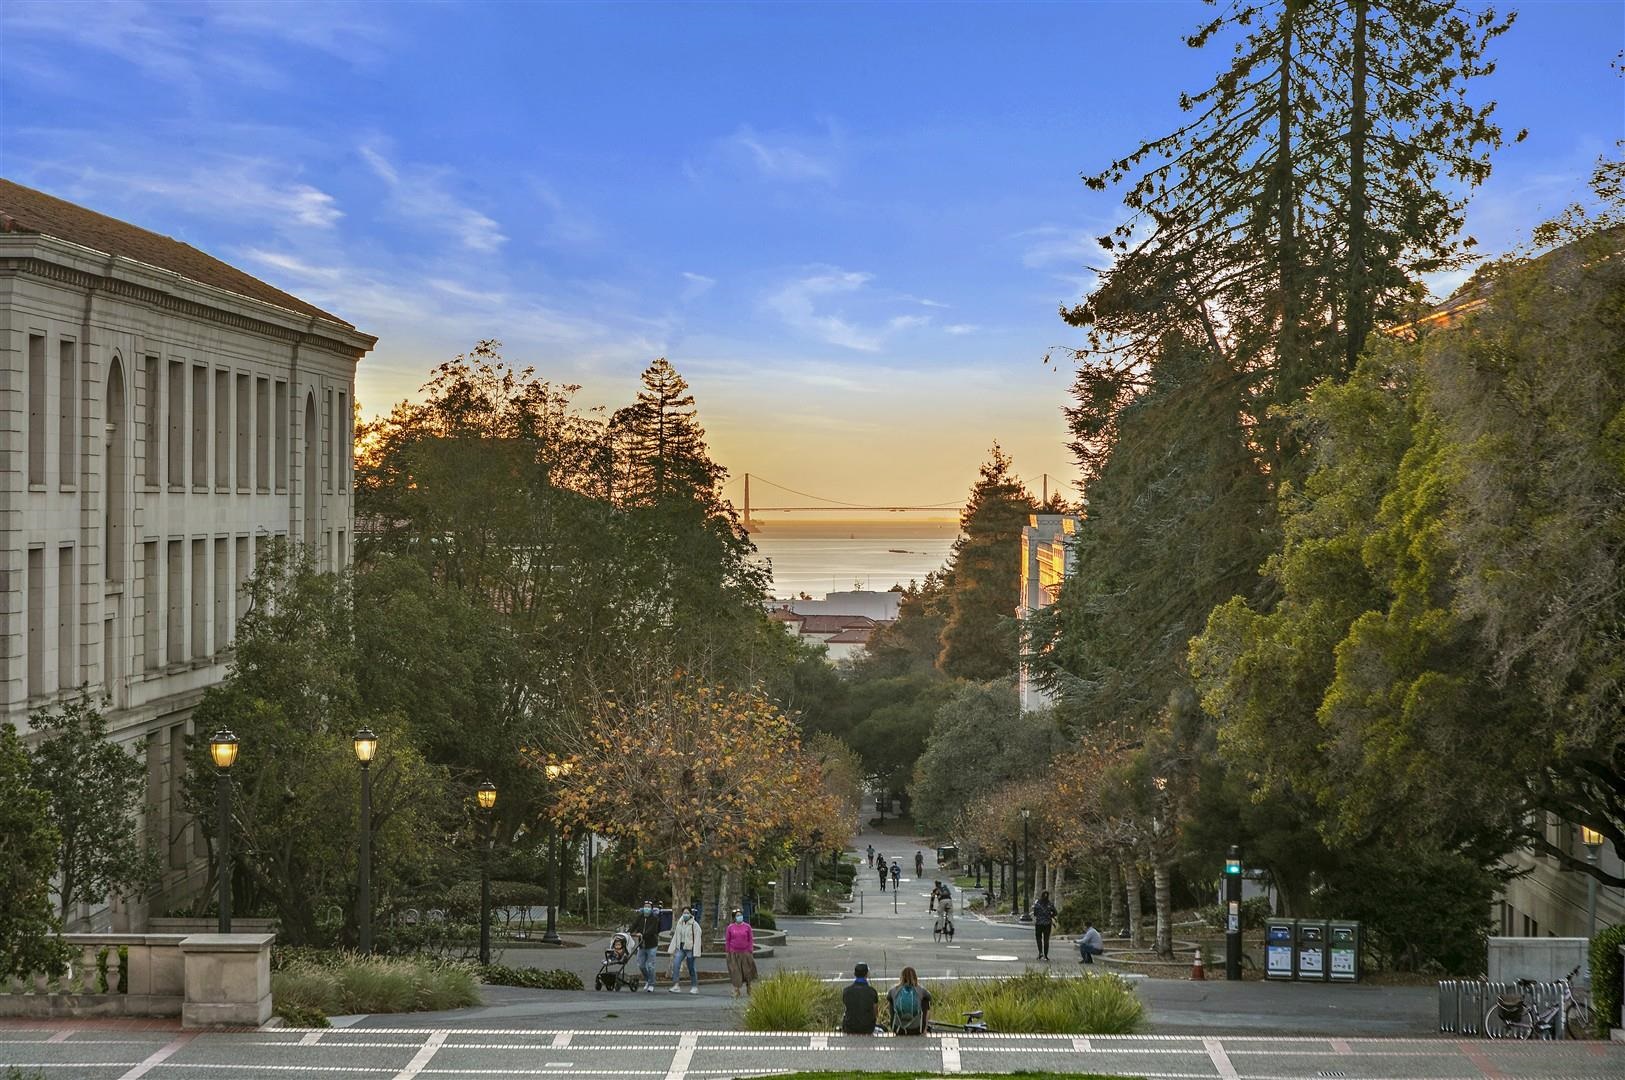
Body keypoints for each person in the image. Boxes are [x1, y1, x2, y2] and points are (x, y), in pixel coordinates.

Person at [887, 966, 931, 1034]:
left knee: (891, 1000)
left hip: (898, 1029)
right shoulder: (920, 989)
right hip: (917, 1029)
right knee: (925, 1001)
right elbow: (929, 996)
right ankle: (924, 1029)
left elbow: (888, 997)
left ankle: (893, 1024)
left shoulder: (894, 989)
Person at [667, 907, 701, 994]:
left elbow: (697, 938)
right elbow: (676, 936)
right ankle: (676, 985)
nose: (685, 914)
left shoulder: (695, 925)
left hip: (690, 948)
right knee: (676, 964)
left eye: (687, 913)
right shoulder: (680, 923)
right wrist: (672, 947)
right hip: (681, 947)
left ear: (690, 914)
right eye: (684, 913)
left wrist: (696, 951)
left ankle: (694, 986)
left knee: (691, 967)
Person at [632, 900, 663, 992]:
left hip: (652, 945)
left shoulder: (654, 919)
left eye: (649, 907)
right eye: (645, 907)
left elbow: (652, 930)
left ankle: (651, 983)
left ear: (652, 909)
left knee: (650, 965)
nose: (647, 908)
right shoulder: (640, 917)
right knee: (641, 965)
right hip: (642, 945)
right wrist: (628, 932)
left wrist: (642, 934)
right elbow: (634, 925)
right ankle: (647, 980)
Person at [840, 962, 880, 1034]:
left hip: (850, 1027)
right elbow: (875, 1013)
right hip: (867, 1028)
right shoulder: (872, 992)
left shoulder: (846, 991)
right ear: (867, 974)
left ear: (855, 974)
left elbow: (846, 1008)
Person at [724, 908, 757, 997]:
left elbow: (750, 939)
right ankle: (736, 989)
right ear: (734, 918)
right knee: (735, 972)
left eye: (740, 915)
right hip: (734, 953)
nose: (740, 917)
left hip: (745, 953)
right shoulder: (730, 928)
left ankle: (749, 986)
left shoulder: (747, 927)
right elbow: (727, 940)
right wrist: (728, 951)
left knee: (748, 971)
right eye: (737, 916)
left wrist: (750, 950)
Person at [1032, 890, 1058, 961]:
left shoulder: (1038, 904)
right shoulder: (1050, 904)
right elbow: (1055, 912)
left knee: (1038, 938)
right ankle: (1046, 955)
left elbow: (1035, 913)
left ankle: (1040, 952)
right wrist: (1050, 915)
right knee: (1046, 939)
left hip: (1039, 923)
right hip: (1047, 923)